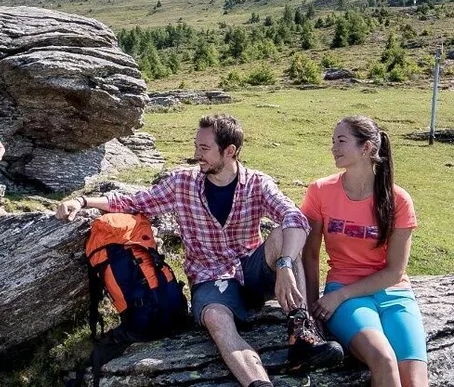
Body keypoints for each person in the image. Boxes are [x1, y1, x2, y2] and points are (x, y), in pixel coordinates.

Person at [56, 114, 343, 386]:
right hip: (209, 278)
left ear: (229, 151)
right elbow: (135, 201)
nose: (196, 154)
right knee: (217, 321)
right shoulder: (183, 183)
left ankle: (301, 334)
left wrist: (283, 266)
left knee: (284, 234)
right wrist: (83, 202)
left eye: (204, 148)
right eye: (196, 146)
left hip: (251, 271)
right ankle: (258, 382)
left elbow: (295, 218)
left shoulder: (257, 183)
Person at [302, 116, 427, 387]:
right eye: (333, 141)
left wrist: (339, 296)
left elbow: (394, 271)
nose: (333, 147)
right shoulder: (320, 191)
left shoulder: (399, 199)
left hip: (393, 295)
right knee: (383, 359)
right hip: (344, 291)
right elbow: (309, 255)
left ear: (366, 148)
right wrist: (312, 312)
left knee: (416, 382)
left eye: (341, 141)